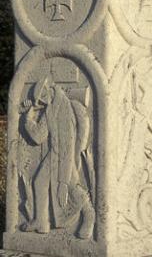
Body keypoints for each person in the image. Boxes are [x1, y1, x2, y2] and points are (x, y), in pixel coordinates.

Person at [23, 76, 95, 238]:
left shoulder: (63, 108)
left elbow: (68, 146)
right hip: (55, 153)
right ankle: (41, 221)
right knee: (39, 181)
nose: (41, 102)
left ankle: (89, 215)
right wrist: (29, 118)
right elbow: (39, 136)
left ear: (49, 90)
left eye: (42, 98)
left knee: (71, 184)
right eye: (39, 100)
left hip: (67, 155)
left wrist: (61, 182)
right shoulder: (50, 107)